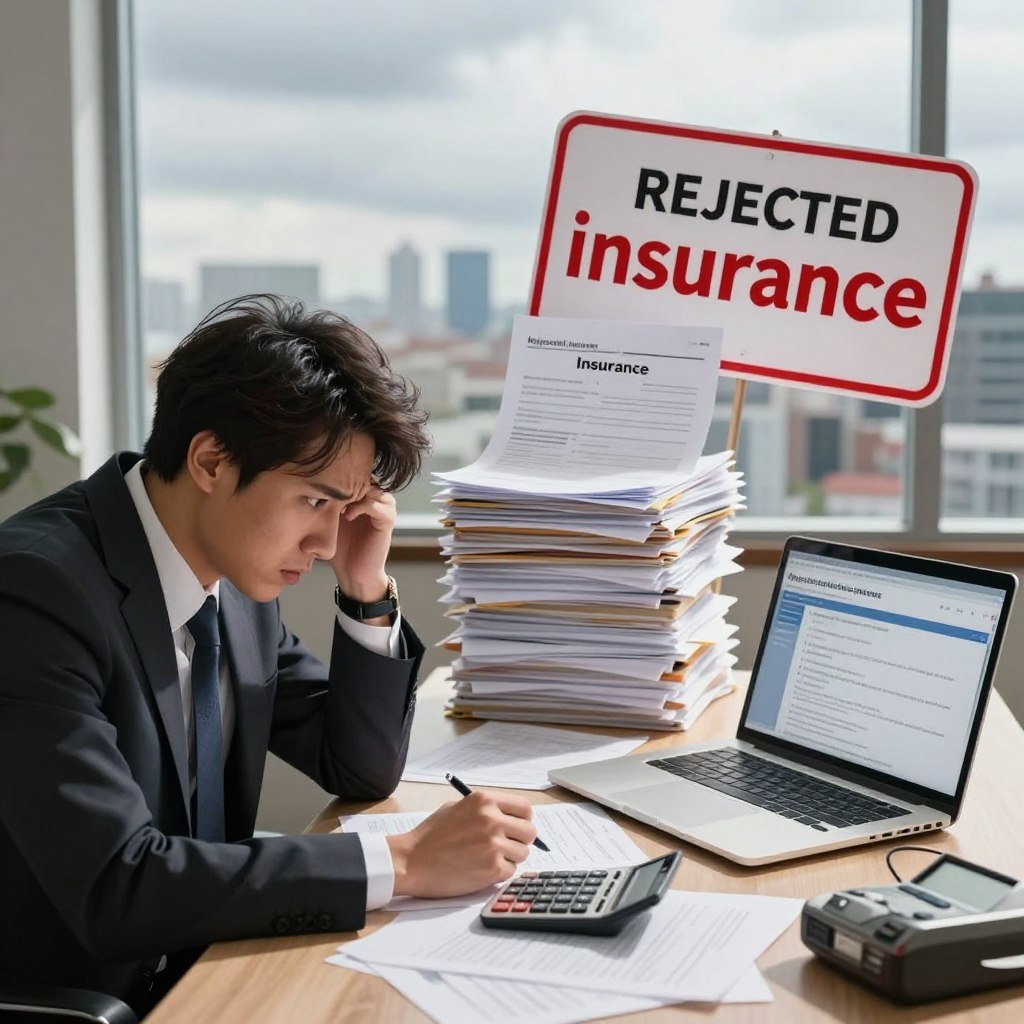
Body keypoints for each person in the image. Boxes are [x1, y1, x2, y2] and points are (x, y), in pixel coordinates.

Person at [0, 294, 537, 1016]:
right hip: (92, 998)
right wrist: (403, 862)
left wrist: (365, 587)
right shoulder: (36, 595)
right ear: (212, 461)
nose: (323, 544)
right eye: (315, 502)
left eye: (344, 510)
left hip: (208, 961)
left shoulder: (229, 572)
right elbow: (118, 888)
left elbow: (356, 764)